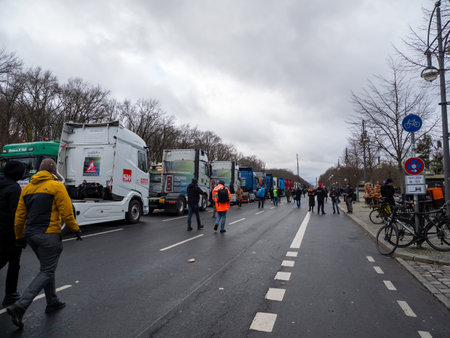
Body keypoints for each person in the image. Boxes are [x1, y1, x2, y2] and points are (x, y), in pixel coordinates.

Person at [6, 159, 82, 330]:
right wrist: (75, 229)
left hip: (31, 235)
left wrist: (19, 237)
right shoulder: (56, 186)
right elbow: (66, 211)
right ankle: (19, 307)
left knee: (47, 268)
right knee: (47, 270)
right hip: (48, 235)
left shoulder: (26, 189)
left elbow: (19, 217)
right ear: (53, 171)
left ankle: (52, 301)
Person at [0, 161, 26, 307]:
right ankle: (10, 294)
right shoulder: (14, 189)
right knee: (13, 263)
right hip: (8, 233)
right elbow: (17, 216)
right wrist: (21, 236)